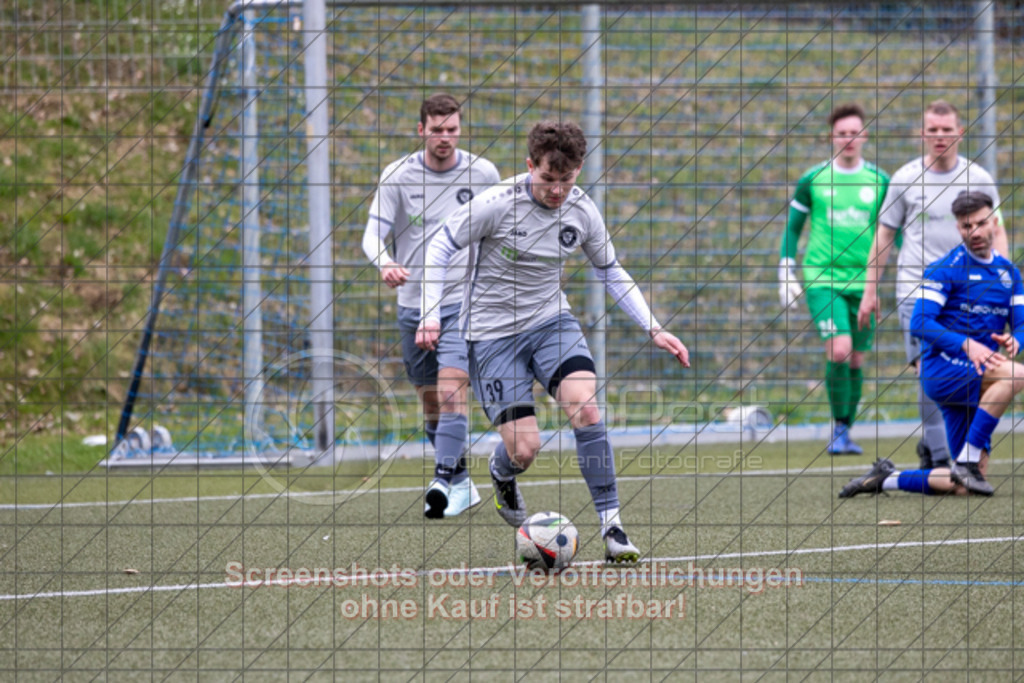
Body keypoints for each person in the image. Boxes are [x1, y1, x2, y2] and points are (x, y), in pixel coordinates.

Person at [416, 121, 690, 563]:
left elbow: (609, 270)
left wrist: (654, 327)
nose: (558, 190)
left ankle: (612, 527)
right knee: (525, 449)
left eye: (567, 179)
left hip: (551, 324)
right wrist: (430, 312)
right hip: (490, 337)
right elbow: (440, 245)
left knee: (586, 406)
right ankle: (502, 470)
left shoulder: (582, 210)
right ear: (529, 167)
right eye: (548, 179)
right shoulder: (496, 204)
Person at [362, 93, 501, 518]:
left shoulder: (483, 173)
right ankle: (460, 481)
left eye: (452, 130)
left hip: (463, 300)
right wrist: (385, 262)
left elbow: (500, 229)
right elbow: (371, 236)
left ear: (461, 129)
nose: (445, 137)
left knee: (452, 389)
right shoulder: (398, 176)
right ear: (421, 130)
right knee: (430, 401)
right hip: (412, 301)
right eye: (437, 130)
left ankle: (442, 478)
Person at [857, 100, 1006, 471]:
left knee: (972, 371)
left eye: (946, 130)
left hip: (968, 298)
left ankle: (944, 446)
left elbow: (996, 230)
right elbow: (884, 236)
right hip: (917, 292)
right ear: (922, 134)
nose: (939, 136)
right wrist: (870, 291)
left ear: (960, 132)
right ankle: (942, 456)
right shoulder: (905, 178)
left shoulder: (979, 178)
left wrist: (1000, 285)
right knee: (928, 368)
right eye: (932, 130)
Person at [842, 192, 1022, 497]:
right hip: (943, 369)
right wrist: (967, 345)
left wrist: (1015, 340)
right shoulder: (945, 268)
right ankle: (966, 460)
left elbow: (1021, 324)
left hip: (979, 372)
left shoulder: (1010, 274)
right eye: (967, 226)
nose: (975, 232)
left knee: (964, 488)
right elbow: (920, 323)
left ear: (994, 222)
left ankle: (886, 478)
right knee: (1016, 375)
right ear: (958, 229)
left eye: (981, 223)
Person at [778, 103, 890, 455]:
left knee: (856, 359)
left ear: (865, 135)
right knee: (839, 350)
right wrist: (785, 265)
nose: (849, 139)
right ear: (832, 137)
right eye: (842, 133)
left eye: (855, 132)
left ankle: (844, 429)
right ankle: (838, 429)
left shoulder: (880, 181)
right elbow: (794, 227)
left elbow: (893, 234)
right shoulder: (813, 179)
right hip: (822, 278)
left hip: (865, 282)